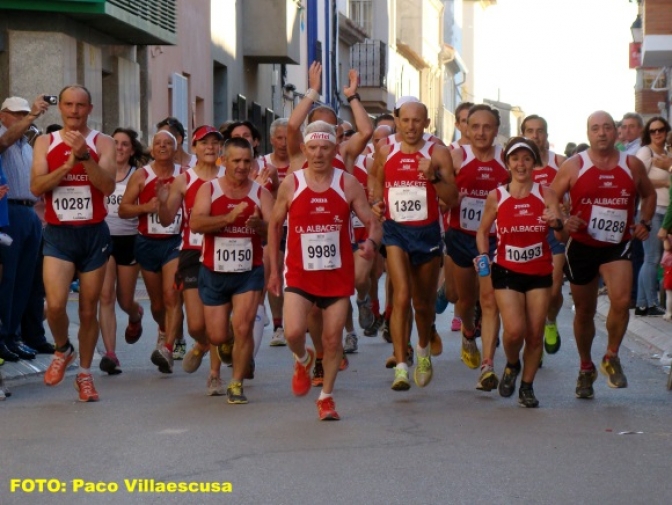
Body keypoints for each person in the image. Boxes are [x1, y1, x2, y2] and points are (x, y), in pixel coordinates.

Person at [268, 121, 381, 420]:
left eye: (325, 148)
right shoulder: (293, 183)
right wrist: (273, 268)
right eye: (313, 148)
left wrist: (370, 242)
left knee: (332, 340)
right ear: (304, 149)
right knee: (293, 332)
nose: (318, 154)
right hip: (299, 274)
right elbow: (274, 224)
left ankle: (326, 397)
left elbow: (372, 222)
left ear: (335, 150)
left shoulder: (347, 183)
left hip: (336, 275)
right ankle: (303, 358)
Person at [550, 111, 655, 399]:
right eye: (596, 128)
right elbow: (551, 194)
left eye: (607, 127)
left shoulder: (631, 164)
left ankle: (611, 355)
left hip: (616, 243)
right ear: (588, 134)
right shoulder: (575, 165)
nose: (602, 133)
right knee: (585, 311)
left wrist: (644, 221)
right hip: (582, 244)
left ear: (617, 132)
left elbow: (649, 195)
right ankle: (586, 366)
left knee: (621, 301)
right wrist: (562, 220)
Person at [31, 84, 116, 402]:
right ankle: (62, 348)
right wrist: (66, 167)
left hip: (93, 234)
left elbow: (107, 186)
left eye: (81, 105)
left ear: (90, 109)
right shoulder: (45, 142)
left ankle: (84, 374)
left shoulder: (102, 142)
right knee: (54, 305)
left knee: (87, 309)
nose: (74, 110)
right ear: (61, 108)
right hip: (59, 234)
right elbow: (36, 185)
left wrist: (84, 159)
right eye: (68, 104)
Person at [371, 100, 458, 391]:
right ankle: (400, 365)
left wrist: (433, 176)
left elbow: (452, 196)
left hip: (427, 233)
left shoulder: (438, 153)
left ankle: (422, 350)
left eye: (417, 121)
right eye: (405, 120)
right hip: (396, 232)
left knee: (423, 304)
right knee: (401, 296)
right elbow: (376, 180)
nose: (411, 126)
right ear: (396, 120)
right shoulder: (385, 150)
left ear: (426, 123)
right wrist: (376, 203)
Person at [477, 137, 564, 408]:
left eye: (526, 158)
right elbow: (482, 231)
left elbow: (563, 233)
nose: (521, 164)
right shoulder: (497, 196)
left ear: (534, 163)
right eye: (515, 159)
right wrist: (482, 260)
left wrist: (557, 221)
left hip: (539, 271)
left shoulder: (546, 194)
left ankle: (527, 386)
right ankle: (512, 363)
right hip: (506, 270)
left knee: (535, 333)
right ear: (508, 163)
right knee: (515, 331)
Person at [190, 137, 274, 403]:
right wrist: (227, 218)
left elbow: (274, 233)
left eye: (246, 161)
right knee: (217, 335)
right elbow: (196, 223)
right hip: (214, 271)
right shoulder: (209, 189)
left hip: (248, 272)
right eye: (236, 160)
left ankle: (236, 383)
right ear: (223, 160)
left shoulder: (261, 194)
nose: (241, 166)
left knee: (243, 326)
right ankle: (232, 348)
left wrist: (258, 226)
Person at [157, 125, 227, 394]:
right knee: (197, 324)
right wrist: (163, 202)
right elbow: (166, 220)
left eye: (215, 142)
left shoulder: (228, 175)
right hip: (192, 253)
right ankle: (202, 344)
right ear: (194, 148)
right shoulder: (183, 180)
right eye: (204, 143)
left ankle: (214, 374)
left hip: (223, 253)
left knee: (217, 320)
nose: (210, 147)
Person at [445, 104, 510, 391]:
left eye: (488, 127)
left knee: (489, 299)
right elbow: (440, 199)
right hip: (461, 236)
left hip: (495, 239)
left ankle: (487, 366)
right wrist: (450, 198)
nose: (481, 132)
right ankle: (469, 332)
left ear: (496, 130)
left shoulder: (507, 160)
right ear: (467, 130)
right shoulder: (456, 157)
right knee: (464, 299)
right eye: (476, 127)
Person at [118, 130, 182, 374]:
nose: (163, 147)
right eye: (158, 143)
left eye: (168, 143)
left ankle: (167, 348)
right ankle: (165, 330)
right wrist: (147, 207)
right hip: (147, 242)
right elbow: (123, 209)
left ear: (176, 149)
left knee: (171, 295)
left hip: (175, 241)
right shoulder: (142, 176)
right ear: (152, 149)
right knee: (157, 305)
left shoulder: (183, 176)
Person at [0, 95, 52, 364]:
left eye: (24, 114)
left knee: (26, 280)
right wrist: (32, 115)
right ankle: (5, 335)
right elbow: (4, 141)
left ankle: (16, 335)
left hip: (29, 211)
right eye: (17, 114)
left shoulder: (27, 145)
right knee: (8, 279)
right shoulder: (6, 137)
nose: (22, 118)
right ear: (3, 115)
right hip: (7, 210)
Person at [98, 128, 146, 375]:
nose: (119, 147)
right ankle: (110, 354)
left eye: (124, 144)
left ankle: (135, 314)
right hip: (104, 238)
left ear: (132, 150)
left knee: (124, 300)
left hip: (129, 239)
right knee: (105, 296)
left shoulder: (138, 175)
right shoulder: (100, 170)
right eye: (115, 142)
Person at [522, 115, 567, 355]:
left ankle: (550, 321)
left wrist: (568, 217)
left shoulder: (561, 163)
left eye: (539, 131)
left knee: (554, 289)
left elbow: (574, 195)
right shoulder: (515, 165)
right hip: (526, 235)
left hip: (552, 233)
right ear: (523, 134)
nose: (535, 136)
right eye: (530, 131)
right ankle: (534, 343)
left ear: (546, 135)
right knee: (529, 292)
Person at [634, 117, 672, 316]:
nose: (657, 134)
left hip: (667, 210)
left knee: (655, 259)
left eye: (661, 130)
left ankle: (642, 304)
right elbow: (638, 180)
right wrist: (665, 183)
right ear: (648, 133)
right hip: (651, 210)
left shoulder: (667, 154)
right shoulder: (645, 152)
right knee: (652, 258)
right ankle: (650, 303)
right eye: (653, 130)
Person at [264, 118, 290, 346]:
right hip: (274, 226)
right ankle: (278, 324)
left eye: (287, 137)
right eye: (279, 138)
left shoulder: (303, 163)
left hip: (300, 225)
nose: (283, 143)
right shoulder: (261, 164)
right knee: (276, 268)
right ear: (271, 139)